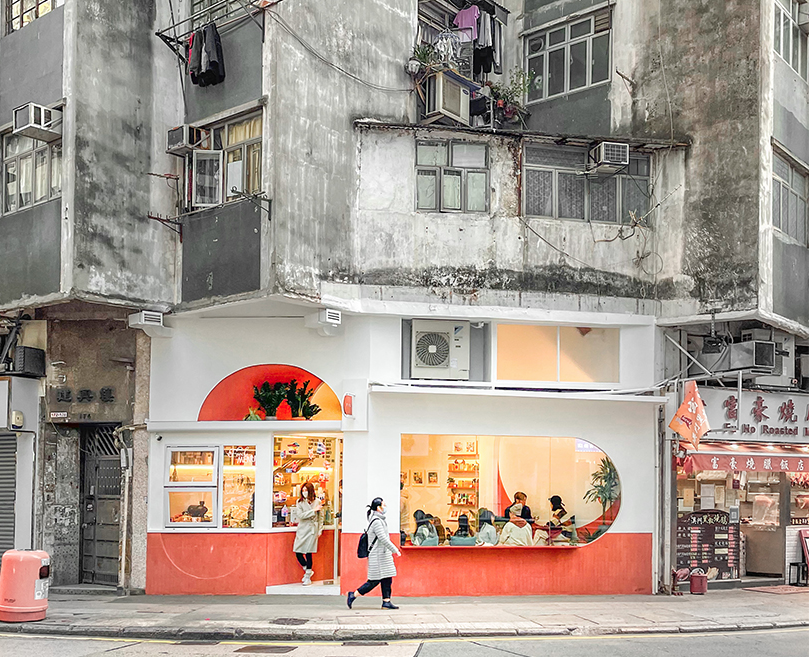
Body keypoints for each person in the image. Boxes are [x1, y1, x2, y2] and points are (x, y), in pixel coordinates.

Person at [347, 497, 402, 610]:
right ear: (378, 508)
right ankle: (353, 594)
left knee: (387, 578)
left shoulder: (379, 520)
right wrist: (395, 550)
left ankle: (386, 602)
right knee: (374, 581)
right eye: (383, 505)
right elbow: (383, 538)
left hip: (382, 555)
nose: (385, 507)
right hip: (377, 556)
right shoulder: (377, 521)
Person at [292, 482, 323, 586]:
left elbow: (320, 518)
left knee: (309, 552)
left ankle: (307, 576)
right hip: (302, 529)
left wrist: (320, 530)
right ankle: (307, 570)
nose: (304, 492)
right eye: (303, 490)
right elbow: (300, 515)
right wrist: (313, 511)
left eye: (306, 490)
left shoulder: (317, 501)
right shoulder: (299, 502)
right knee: (298, 551)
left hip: (312, 530)